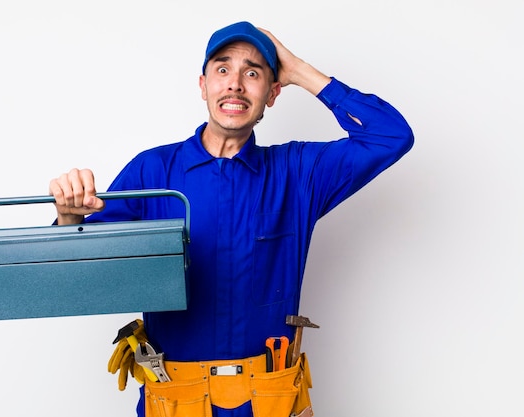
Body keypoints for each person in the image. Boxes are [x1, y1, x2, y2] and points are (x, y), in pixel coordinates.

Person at [49, 21, 413, 417]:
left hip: (269, 401)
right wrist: (69, 218)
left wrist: (299, 70)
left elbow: (391, 136)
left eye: (253, 73)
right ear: (203, 85)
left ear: (273, 93)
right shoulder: (151, 172)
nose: (235, 84)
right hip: (175, 400)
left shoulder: (299, 172)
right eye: (222, 70)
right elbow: (78, 274)